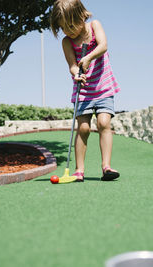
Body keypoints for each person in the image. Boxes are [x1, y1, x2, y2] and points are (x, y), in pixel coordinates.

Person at [50, 0, 120, 182]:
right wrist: (76, 74)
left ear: (82, 15)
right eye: (63, 28)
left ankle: (106, 167)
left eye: (71, 25)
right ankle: (79, 170)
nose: (68, 31)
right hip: (84, 90)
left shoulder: (95, 26)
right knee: (83, 128)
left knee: (104, 123)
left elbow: (103, 45)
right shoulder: (67, 42)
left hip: (103, 86)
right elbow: (72, 65)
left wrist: (88, 57)